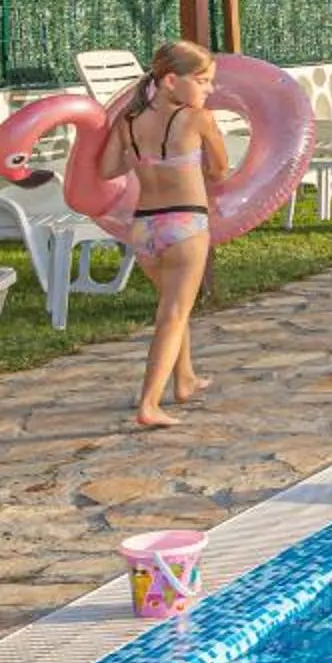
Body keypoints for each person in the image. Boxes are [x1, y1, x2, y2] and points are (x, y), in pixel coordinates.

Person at [96, 40, 229, 430]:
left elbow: (106, 170)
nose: (209, 90)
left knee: (175, 304)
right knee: (173, 312)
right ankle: (149, 403)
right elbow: (220, 171)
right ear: (171, 80)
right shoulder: (197, 119)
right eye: (203, 81)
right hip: (185, 225)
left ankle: (184, 380)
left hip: (145, 229)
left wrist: (140, 155)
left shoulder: (130, 121)